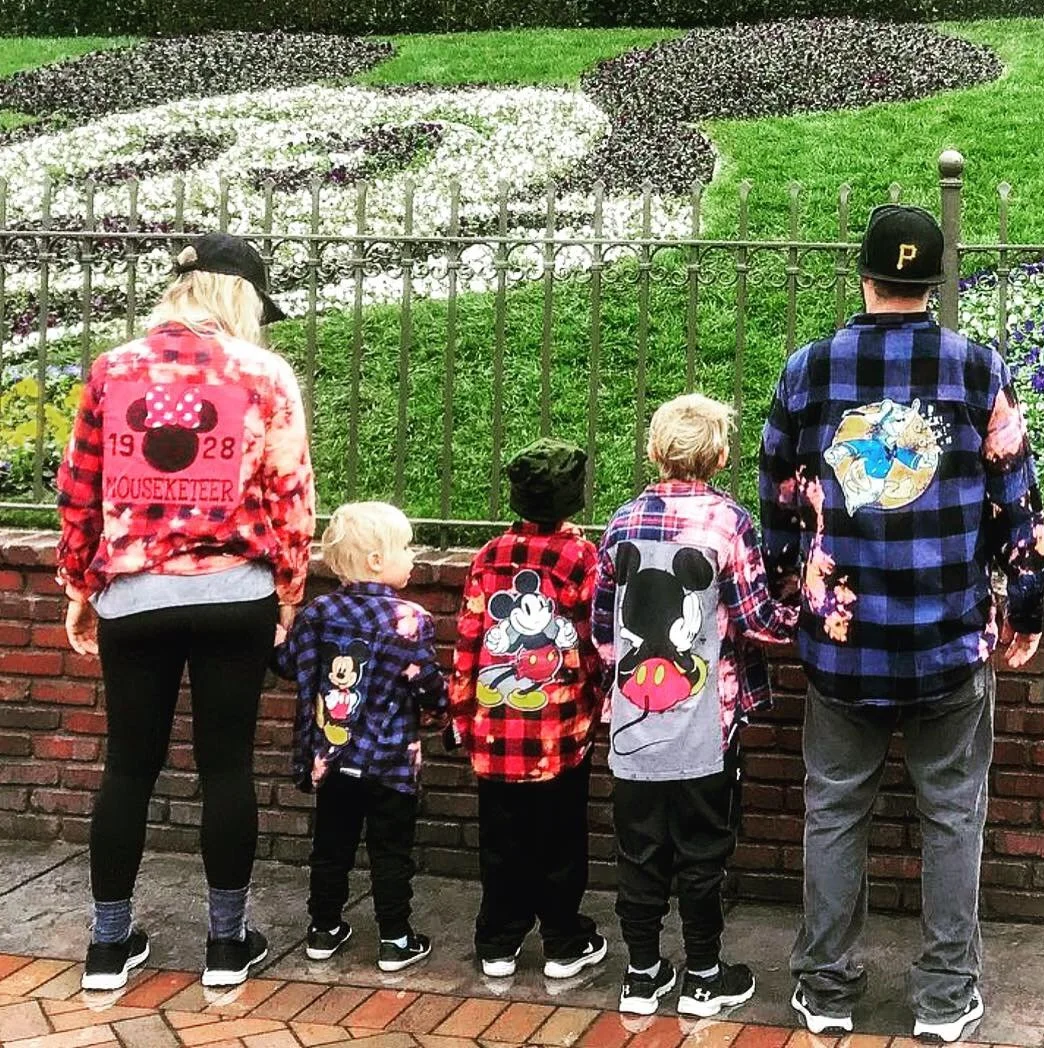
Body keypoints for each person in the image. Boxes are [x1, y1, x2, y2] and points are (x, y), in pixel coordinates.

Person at [759, 204, 1044, 1043]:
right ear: (932, 283)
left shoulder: (808, 371)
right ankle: (947, 998)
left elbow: (779, 502)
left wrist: (792, 598)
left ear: (864, 275)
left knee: (835, 810)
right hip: (948, 639)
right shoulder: (974, 369)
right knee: (954, 812)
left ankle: (824, 989)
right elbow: (1016, 501)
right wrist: (1022, 606)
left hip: (843, 644)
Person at [56, 232, 315, 990]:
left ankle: (108, 949)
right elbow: (292, 495)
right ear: (239, 298)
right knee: (226, 766)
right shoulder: (264, 373)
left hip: (133, 596)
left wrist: (79, 587)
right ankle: (226, 947)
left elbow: (79, 488)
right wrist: (290, 593)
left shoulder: (113, 369)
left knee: (128, 769)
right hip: (236, 592)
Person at [592, 394, 798, 1017]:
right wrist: (801, 615)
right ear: (723, 456)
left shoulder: (622, 522)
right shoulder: (729, 524)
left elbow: (603, 626)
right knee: (704, 849)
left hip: (633, 725)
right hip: (708, 725)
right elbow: (757, 620)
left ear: (654, 452)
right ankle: (705, 974)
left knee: (640, 850)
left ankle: (642, 971)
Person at [449, 438, 607, 980]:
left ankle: (498, 938)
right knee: (561, 837)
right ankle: (563, 939)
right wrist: (595, 695)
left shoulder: (488, 555)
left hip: (494, 732)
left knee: (501, 840)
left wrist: (462, 708)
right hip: (559, 733)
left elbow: (469, 636)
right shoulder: (581, 557)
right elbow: (591, 641)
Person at [273, 501, 447, 972]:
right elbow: (427, 683)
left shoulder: (319, 612)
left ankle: (323, 929)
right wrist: (444, 712)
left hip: (330, 759)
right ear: (375, 561)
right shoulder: (410, 620)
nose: (413, 556)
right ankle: (395, 937)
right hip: (390, 762)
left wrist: (275, 635)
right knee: (391, 851)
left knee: (331, 846)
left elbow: (289, 665)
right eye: (406, 548)